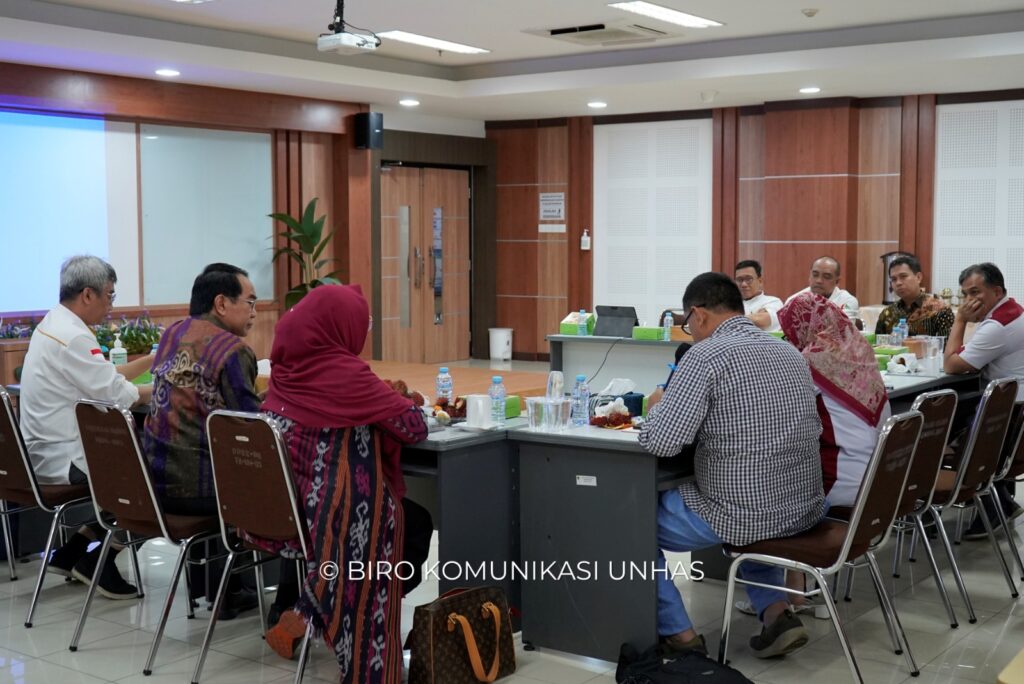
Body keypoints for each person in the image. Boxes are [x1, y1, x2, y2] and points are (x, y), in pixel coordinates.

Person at [639, 272, 824, 659]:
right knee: (751, 494)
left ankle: (679, 634)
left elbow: (662, 441)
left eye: (687, 324)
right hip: (802, 507)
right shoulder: (788, 352)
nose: (689, 331)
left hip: (746, 515)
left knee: (627, 526)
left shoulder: (703, 356)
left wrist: (656, 409)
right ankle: (777, 616)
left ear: (698, 315)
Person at [255, 285, 428, 682]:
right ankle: (361, 657)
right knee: (397, 531)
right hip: (335, 512)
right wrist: (393, 398)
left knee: (387, 530)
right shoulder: (345, 374)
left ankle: (305, 613)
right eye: (361, 324)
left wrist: (379, 394)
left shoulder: (286, 367)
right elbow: (412, 427)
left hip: (288, 508)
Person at [20, 255, 153, 599]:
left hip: (43, 453)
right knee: (156, 481)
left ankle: (72, 551)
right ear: (88, 295)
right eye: (110, 295)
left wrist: (154, 360)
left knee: (137, 467)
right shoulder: (74, 338)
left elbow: (102, 378)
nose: (111, 305)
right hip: (65, 458)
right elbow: (118, 395)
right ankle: (101, 563)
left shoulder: (55, 325)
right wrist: (173, 387)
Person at [143, 262, 262, 619]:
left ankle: (213, 587)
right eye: (251, 302)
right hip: (203, 491)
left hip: (153, 483)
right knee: (279, 481)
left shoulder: (171, 334)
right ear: (222, 304)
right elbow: (251, 426)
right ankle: (247, 595)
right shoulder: (232, 350)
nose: (254, 312)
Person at [943, 263, 1024, 538]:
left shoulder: (997, 326)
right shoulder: (1011, 311)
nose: (969, 301)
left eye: (975, 292)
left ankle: (991, 505)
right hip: (1014, 408)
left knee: (943, 427)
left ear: (997, 290)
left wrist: (959, 320)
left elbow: (952, 364)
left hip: (1008, 414)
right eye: (965, 294)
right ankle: (1001, 502)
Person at [875, 254, 953, 337]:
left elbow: (948, 347)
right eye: (894, 279)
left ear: (918, 277)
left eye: (903, 276)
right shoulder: (888, 314)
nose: (898, 283)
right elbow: (877, 346)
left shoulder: (940, 310)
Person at [787, 256, 860, 321]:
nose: (819, 280)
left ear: (837, 282)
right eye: (815, 275)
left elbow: (844, 332)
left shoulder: (847, 301)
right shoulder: (793, 300)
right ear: (809, 276)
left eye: (826, 277)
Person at [734, 259, 783, 332]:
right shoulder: (731, 304)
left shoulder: (773, 302)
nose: (743, 284)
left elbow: (762, 321)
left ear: (760, 281)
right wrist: (752, 317)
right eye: (739, 280)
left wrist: (730, 319)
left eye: (748, 279)